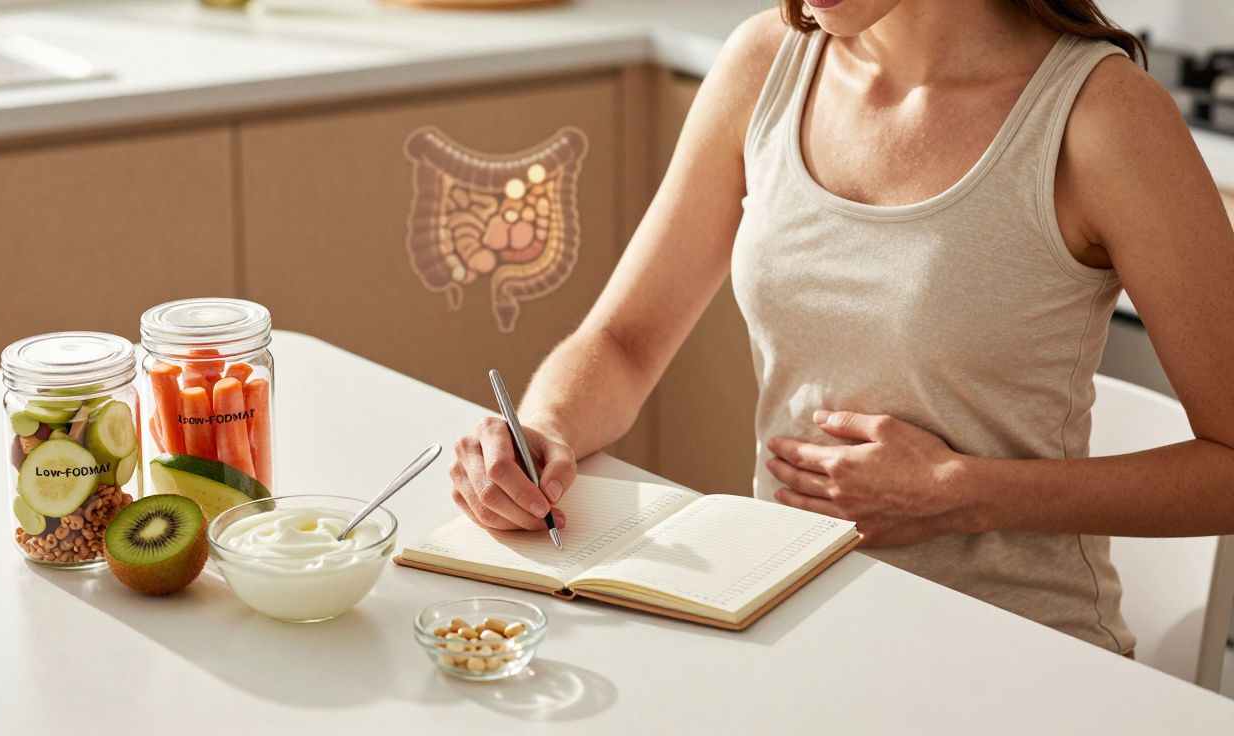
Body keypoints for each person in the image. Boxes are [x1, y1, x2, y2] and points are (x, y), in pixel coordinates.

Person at [447, 0, 1234, 653]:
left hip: (1016, 656)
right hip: (784, 625)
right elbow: (625, 341)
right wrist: (543, 431)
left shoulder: (1103, 119)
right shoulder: (769, 62)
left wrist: (967, 493)